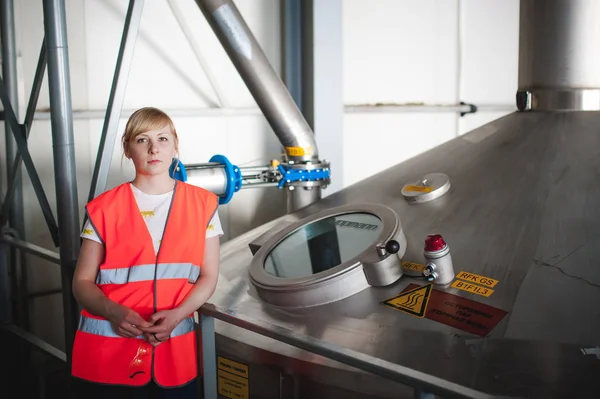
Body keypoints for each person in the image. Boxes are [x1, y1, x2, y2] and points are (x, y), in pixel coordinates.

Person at [71, 107, 222, 398]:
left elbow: (209, 275)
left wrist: (177, 315)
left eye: (163, 139)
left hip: (175, 357)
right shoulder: (103, 208)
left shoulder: (204, 205)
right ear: (127, 148)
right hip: (108, 358)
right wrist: (112, 311)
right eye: (142, 140)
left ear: (175, 145)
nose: (154, 148)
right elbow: (81, 282)